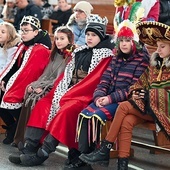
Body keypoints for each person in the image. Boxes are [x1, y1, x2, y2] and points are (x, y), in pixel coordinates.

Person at [8, 14, 115, 168]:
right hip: (69, 92)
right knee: (43, 104)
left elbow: (92, 82)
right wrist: (58, 93)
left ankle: (42, 154)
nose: (89, 38)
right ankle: (29, 148)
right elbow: (65, 77)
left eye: (93, 35)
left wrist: (67, 95)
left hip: (86, 96)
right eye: (87, 34)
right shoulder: (80, 51)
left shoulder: (105, 56)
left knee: (65, 111)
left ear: (101, 36)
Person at [79, 21, 170, 170]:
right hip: (147, 108)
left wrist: (149, 94)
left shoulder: (146, 61)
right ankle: (122, 164)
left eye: (162, 46)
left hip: (163, 111)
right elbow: (138, 84)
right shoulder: (155, 65)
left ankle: (105, 148)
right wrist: (139, 92)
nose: (158, 50)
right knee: (127, 121)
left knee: (123, 107)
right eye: (158, 46)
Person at [66, 19, 151, 169]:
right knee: (85, 114)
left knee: (96, 117)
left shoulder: (141, 60)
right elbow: (105, 79)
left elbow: (133, 88)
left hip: (124, 101)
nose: (124, 44)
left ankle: (98, 157)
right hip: (107, 98)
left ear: (134, 42)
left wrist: (109, 98)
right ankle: (84, 157)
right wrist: (99, 96)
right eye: (121, 40)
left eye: (127, 40)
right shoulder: (116, 57)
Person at [11, 26, 76, 147]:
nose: (58, 41)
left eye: (62, 38)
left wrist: (44, 88)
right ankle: (21, 139)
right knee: (29, 97)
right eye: (56, 38)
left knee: (37, 99)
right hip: (46, 85)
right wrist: (34, 85)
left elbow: (62, 79)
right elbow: (45, 74)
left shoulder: (71, 57)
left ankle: (33, 142)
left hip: (59, 89)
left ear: (70, 40)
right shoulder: (55, 54)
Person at [0, 15, 51, 145]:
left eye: (26, 30)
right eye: (21, 30)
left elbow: (31, 73)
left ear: (35, 32)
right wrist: (5, 79)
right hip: (20, 81)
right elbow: (14, 66)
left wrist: (12, 86)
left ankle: (19, 130)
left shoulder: (40, 49)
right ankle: (13, 127)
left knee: (9, 99)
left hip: (35, 85)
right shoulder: (24, 45)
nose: (23, 33)